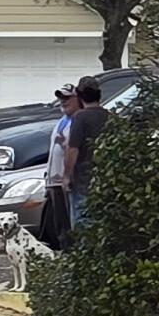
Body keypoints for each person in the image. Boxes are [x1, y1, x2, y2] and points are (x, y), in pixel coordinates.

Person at [64, 75, 112, 231]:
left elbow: (73, 149)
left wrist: (67, 175)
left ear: (79, 95)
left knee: (82, 222)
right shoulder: (109, 116)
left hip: (83, 179)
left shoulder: (80, 118)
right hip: (105, 179)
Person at [33, 85, 77, 249]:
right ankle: (64, 250)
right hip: (53, 180)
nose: (63, 102)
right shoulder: (62, 120)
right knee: (58, 222)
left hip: (65, 181)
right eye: (61, 98)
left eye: (67, 98)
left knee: (68, 222)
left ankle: (71, 253)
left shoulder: (77, 121)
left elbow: (75, 148)